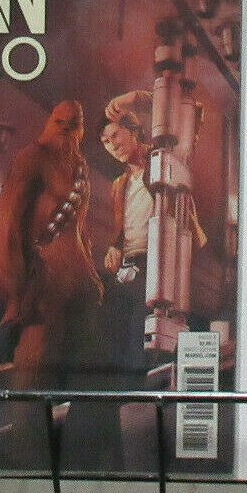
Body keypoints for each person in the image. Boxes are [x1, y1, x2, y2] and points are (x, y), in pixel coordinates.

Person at [0, 99, 103, 389]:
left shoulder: (80, 167)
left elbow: (79, 228)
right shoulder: (32, 159)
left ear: (81, 130)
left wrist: (90, 273)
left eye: (72, 125)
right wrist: (14, 296)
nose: (64, 130)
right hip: (43, 289)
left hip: (81, 288)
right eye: (59, 122)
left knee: (90, 378)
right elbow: (6, 224)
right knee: (34, 376)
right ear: (50, 122)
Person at [99, 91, 156, 376]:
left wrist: (128, 100)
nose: (112, 145)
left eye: (115, 135)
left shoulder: (161, 161)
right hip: (129, 265)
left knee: (138, 335)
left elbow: (169, 104)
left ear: (134, 131)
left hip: (158, 262)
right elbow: (123, 226)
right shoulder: (119, 184)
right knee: (110, 329)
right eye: (105, 142)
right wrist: (114, 246)